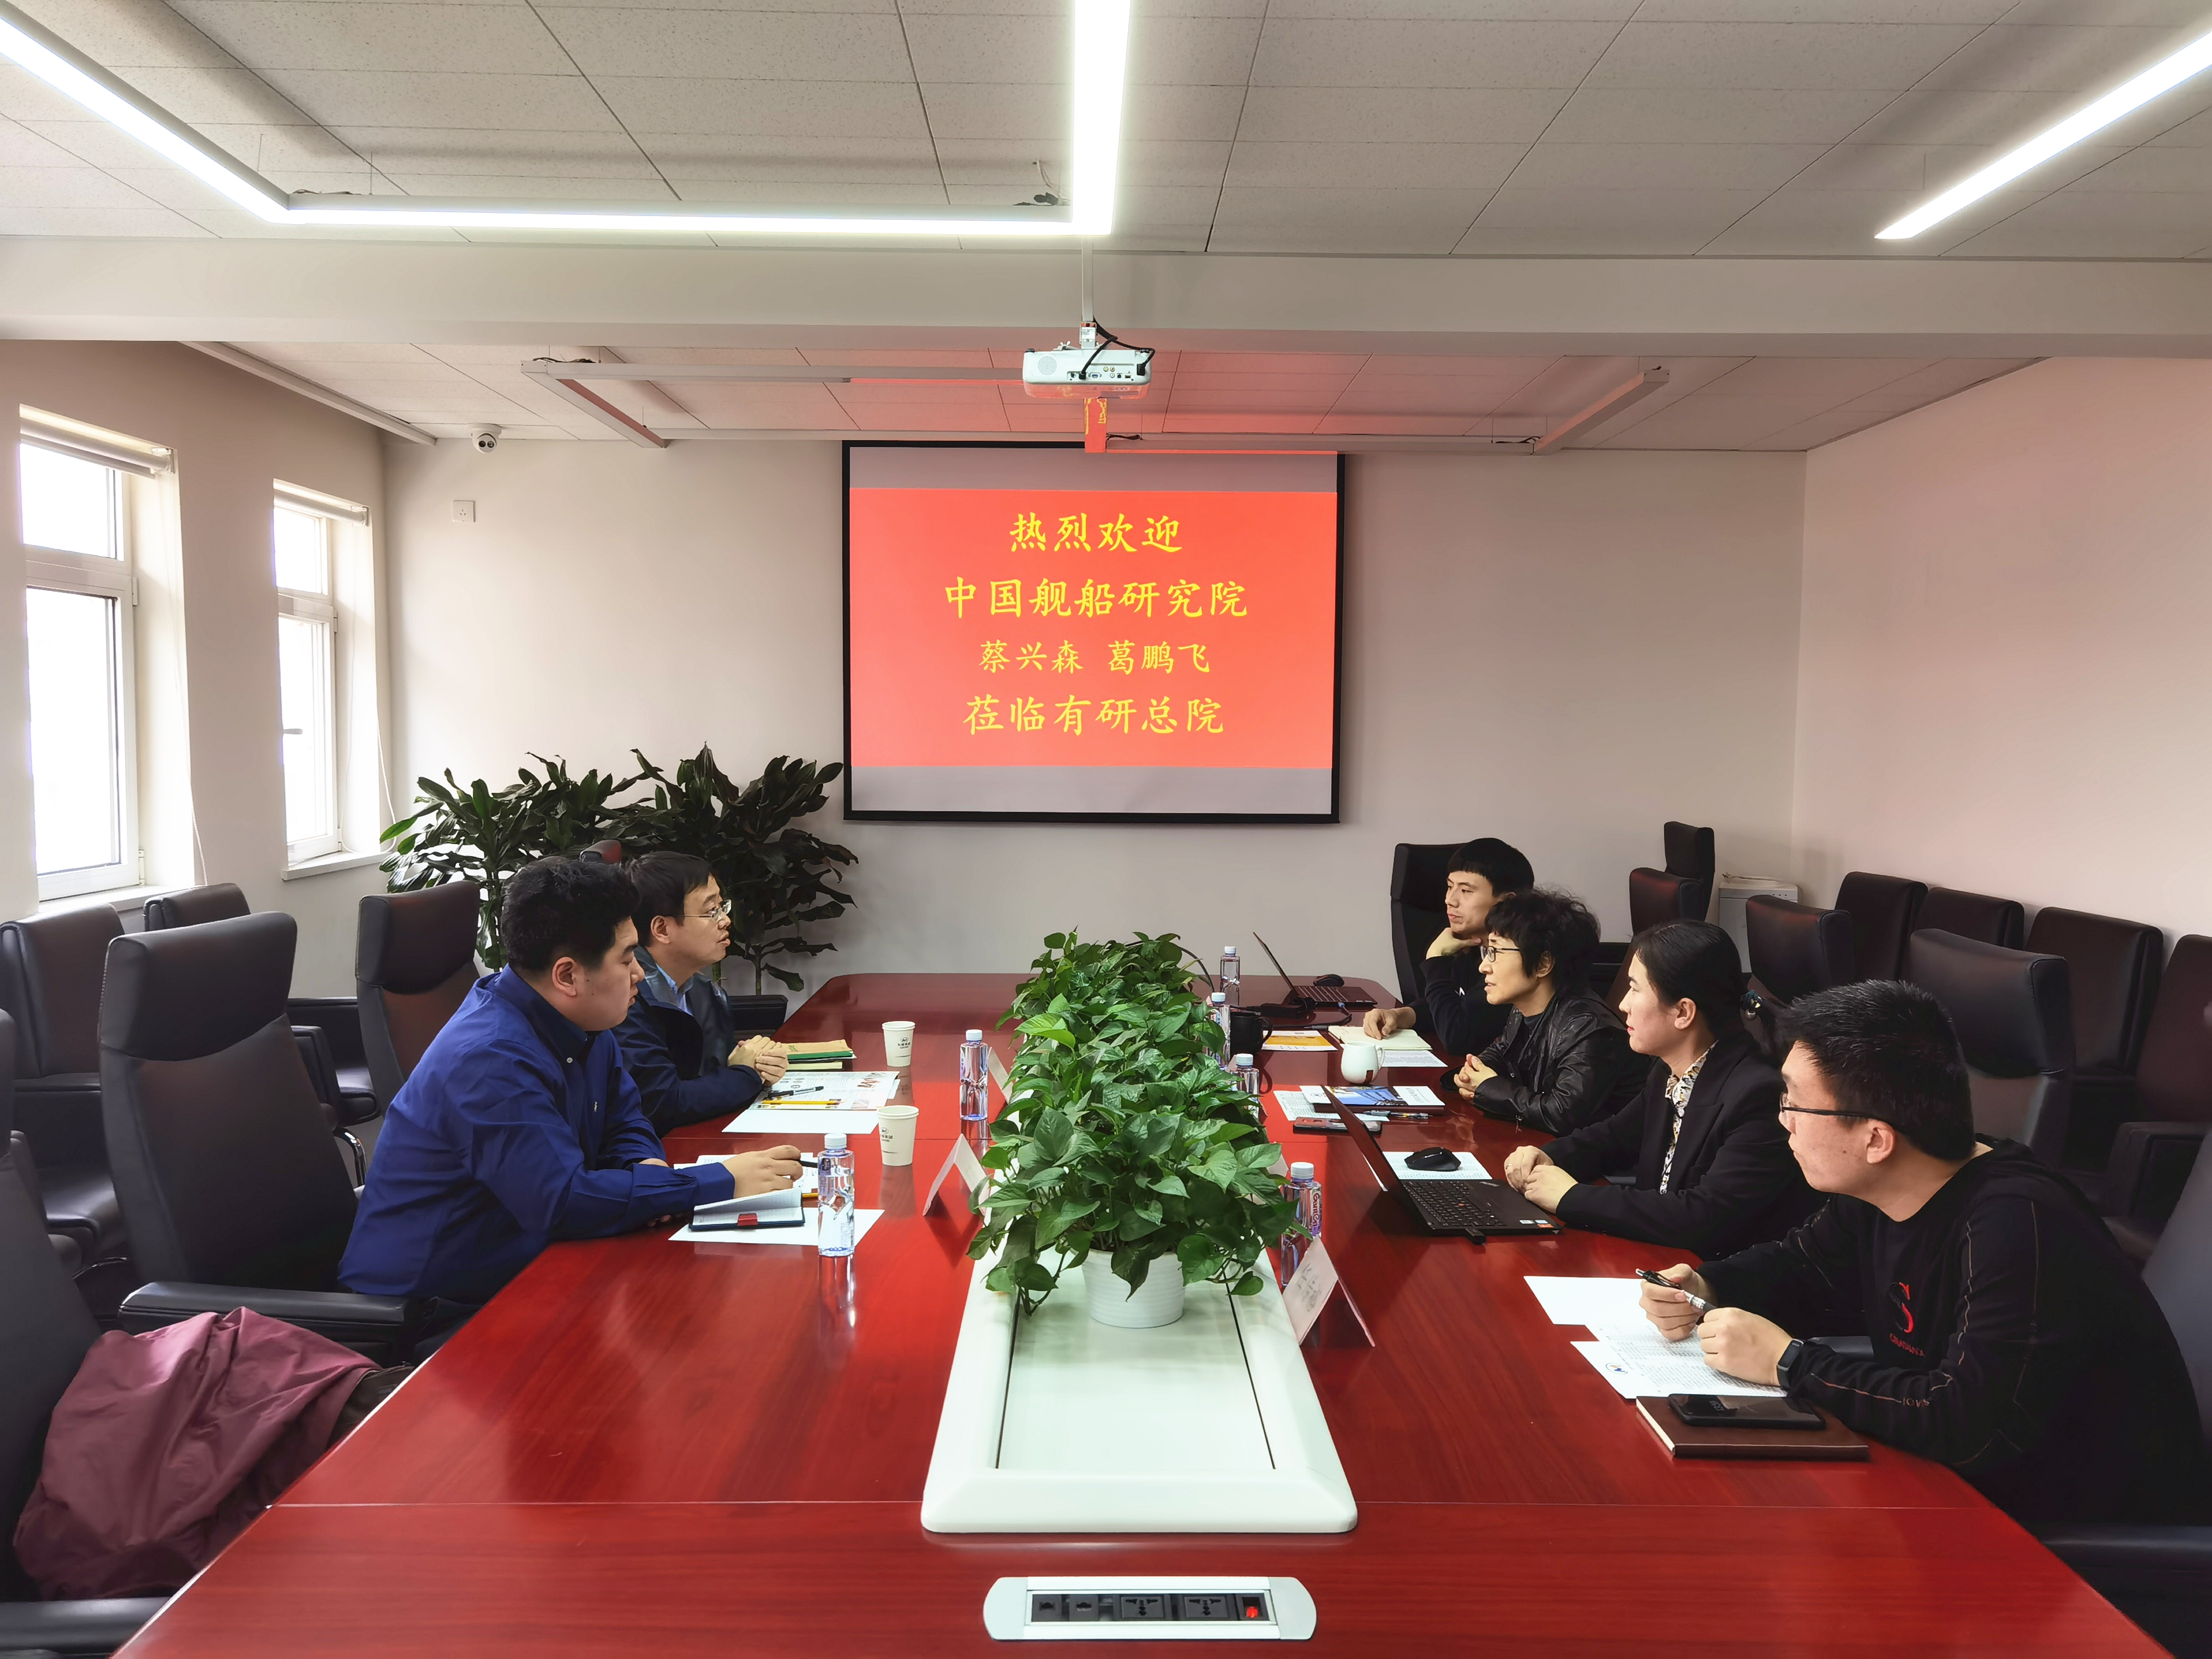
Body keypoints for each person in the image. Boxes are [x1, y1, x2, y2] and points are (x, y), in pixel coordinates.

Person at [1638, 980, 2209, 1526]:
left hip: (2072, 1534)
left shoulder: (2015, 1223)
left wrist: (1789, 1363)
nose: (1782, 1120)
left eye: (1795, 1104)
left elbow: (1966, 1422)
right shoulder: (1883, 1187)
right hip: (1955, 1488)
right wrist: (1707, 1285)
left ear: (1875, 1139)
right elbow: (1802, 1266)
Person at [340, 857, 801, 1311]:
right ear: (568, 975)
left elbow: (626, 1118)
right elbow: (561, 1201)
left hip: (532, 1267)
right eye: (627, 958)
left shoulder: (584, 1018)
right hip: (431, 1308)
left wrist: (647, 1168)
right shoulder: (489, 1059)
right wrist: (719, 1181)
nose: (640, 973)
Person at [1500, 920, 1812, 1254]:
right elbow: (1615, 1137)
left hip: (1710, 1273)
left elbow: (1704, 1216)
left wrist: (1571, 1197)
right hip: (1655, 1255)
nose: (1623, 1004)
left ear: (1683, 1012)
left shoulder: (1759, 1095)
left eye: (1635, 989)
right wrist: (1549, 1156)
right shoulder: (1669, 1070)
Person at [615, 851, 790, 1132]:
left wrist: (760, 1063)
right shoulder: (628, 999)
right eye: (711, 912)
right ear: (662, 929)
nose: (726, 921)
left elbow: (719, 1070)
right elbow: (661, 1102)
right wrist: (746, 1076)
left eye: (722, 907)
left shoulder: (705, 992)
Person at [1455, 887, 1643, 1134]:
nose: (1484, 967)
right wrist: (1473, 1073)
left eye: (1496, 952)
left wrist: (1489, 1087)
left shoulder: (1589, 1029)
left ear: (1543, 965)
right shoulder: (1524, 1008)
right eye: (1487, 952)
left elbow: (1561, 1114)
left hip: (1602, 1157)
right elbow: (1503, 1051)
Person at [1363, 837, 1534, 1056]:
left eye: (1466, 891)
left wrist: (1436, 960)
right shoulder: (1473, 946)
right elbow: (1454, 1004)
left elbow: (1458, 1038)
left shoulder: (1515, 960)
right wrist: (1399, 1015)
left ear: (1507, 901)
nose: (1450, 900)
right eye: (1450, 887)